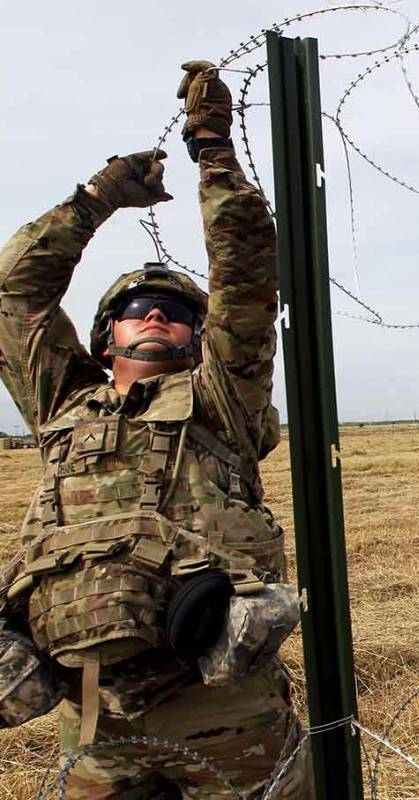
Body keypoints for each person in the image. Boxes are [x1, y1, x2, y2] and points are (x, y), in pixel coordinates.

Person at [0, 61, 312, 797]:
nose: (157, 314)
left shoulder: (219, 398)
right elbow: (16, 290)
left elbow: (244, 269)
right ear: (105, 336)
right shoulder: (63, 405)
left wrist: (213, 148)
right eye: (137, 307)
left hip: (219, 702)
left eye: (175, 312)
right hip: (88, 707)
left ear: (199, 339)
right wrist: (98, 199)